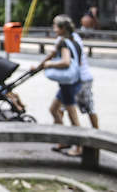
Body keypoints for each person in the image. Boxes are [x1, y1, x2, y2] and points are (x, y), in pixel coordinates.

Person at [32, 14, 83, 156]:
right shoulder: (74, 42)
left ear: (62, 28)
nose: (54, 29)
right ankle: (65, 138)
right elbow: (77, 63)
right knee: (54, 109)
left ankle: (78, 146)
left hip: (68, 85)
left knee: (73, 116)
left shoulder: (65, 43)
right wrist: (38, 67)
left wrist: (49, 64)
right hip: (73, 81)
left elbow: (65, 62)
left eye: (55, 26)